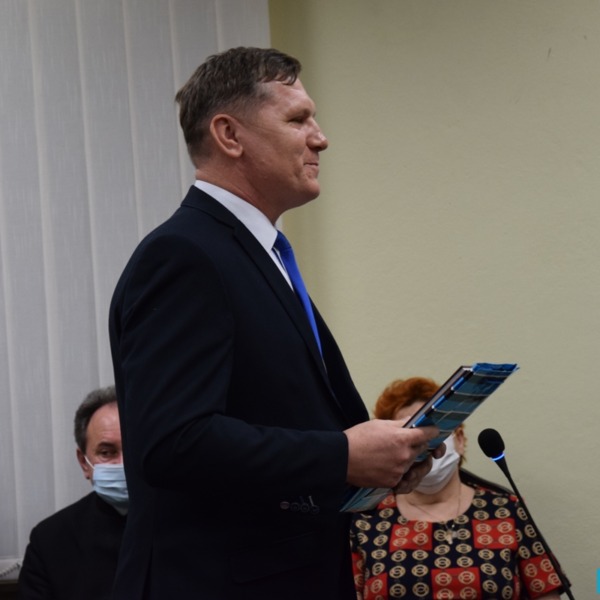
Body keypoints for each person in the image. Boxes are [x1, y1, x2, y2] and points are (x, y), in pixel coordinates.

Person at [108, 46, 442, 599]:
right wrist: (342, 455)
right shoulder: (185, 254)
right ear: (229, 135)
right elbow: (173, 442)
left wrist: (379, 463)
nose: (320, 138)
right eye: (297, 119)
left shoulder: (257, 255)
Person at [350, 376, 566, 600]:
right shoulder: (367, 519)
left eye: (435, 434)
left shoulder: (506, 510)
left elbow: (546, 590)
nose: (426, 447)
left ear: (459, 439)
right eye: (412, 439)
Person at [18, 386, 127, 600]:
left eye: (132, 449)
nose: (123, 463)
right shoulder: (50, 540)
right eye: (107, 452)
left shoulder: (185, 523)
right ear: (84, 462)